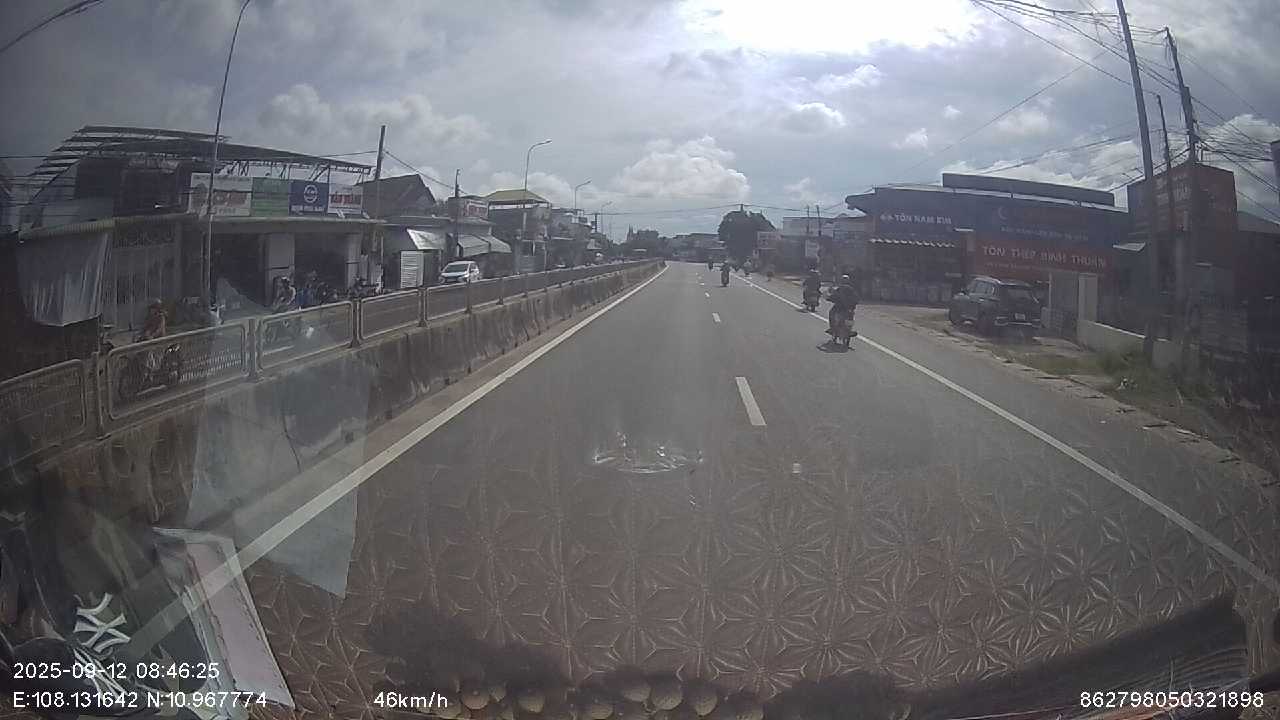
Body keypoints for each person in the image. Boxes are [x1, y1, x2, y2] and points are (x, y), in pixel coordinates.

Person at [826, 273, 859, 338]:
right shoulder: (851, 289)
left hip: (840, 307)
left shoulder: (840, 288)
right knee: (850, 315)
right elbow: (856, 298)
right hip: (848, 308)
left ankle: (832, 328)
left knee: (831, 313)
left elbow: (833, 296)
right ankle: (848, 330)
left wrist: (829, 298)